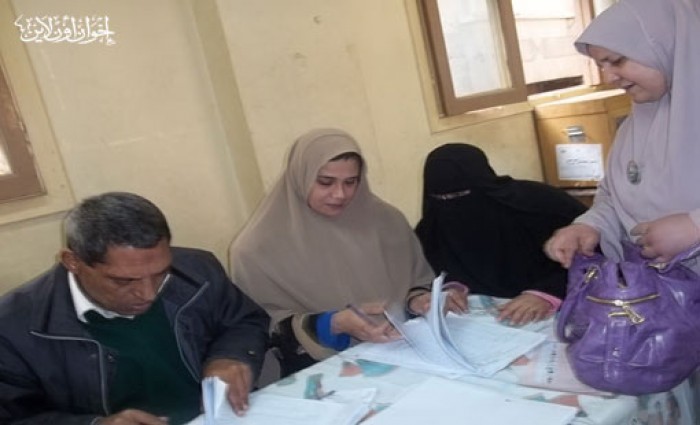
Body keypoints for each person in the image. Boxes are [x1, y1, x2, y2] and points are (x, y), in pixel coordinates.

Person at [0, 192, 270, 425]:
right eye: (124, 281)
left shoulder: (197, 270)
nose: (149, 294)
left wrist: (231, 355)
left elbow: (245, 320)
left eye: (161, 273)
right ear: (72, 262)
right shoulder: (12, 329)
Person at [229, 128, 436, 377]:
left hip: (408, 354)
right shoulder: (255, 249)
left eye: (351, 182)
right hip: (324, 375)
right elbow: (256, 329)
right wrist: (333, 324)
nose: (340, 194)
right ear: (301, 177)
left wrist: (419, 300)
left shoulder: (387, 221)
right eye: (325, 182)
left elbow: (416, 281)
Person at [544, 0, 700, 270]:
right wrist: (590, 225)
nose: (609, 78)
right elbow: (616, 199)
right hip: (666, 290)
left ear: (665, 45)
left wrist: (694, 227)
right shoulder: (636, 124)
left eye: (617, 61)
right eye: (600, 65)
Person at [412, 143, 587, 325]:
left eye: (461, 194)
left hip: (563, 312)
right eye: (441, 198)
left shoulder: (542, 205)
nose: (450, 203)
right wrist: (450, 287)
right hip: (482, 324)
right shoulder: (431, 227)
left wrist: (548, 293)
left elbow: (593, 254)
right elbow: (428, 273)